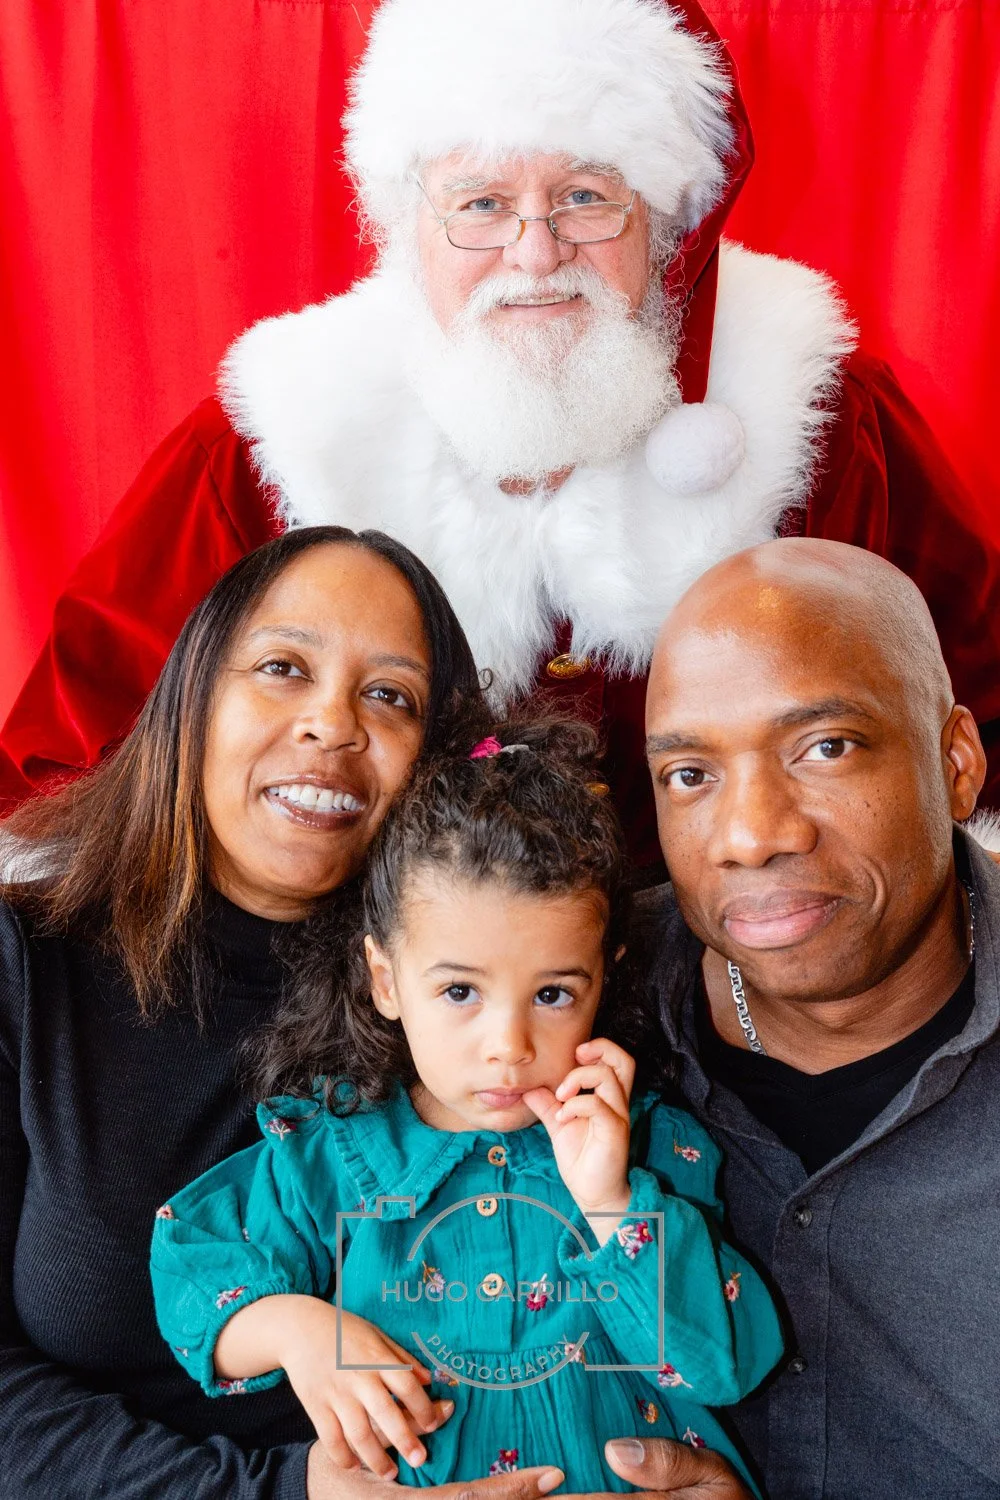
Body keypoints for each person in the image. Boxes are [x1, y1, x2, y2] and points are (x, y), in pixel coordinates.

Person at [2, 0, 999, 873]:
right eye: (481, 205)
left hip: (736, 1008)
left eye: (585, 199)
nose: (534, 253)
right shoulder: (283, 440)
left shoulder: (820, 417)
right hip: (368, 1019)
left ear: (667, 224)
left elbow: (975, 727)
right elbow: (73, 773)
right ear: (405, 224)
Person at [150, 718, 783, 1493]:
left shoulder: (649, 1143)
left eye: (553, 993)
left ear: (604, 978)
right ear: (385, 979)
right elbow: (190, 1261)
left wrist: (614, 1205)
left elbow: (727, 1365)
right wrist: (296, 1331)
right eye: (459, 992)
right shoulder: (333, 1152)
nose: (508, 1044)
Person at [0, 525, 492, 1500]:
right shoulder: (27, 965)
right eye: (281, 667)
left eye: (388, 695)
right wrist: (282, 1491)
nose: (330, 724)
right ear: (191, 700)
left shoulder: (486, 999)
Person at [637, 536, 1000, 1498]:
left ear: (956, 763)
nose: (754, 835)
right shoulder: (566, 1000)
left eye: (825, 747)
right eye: (690, 774)